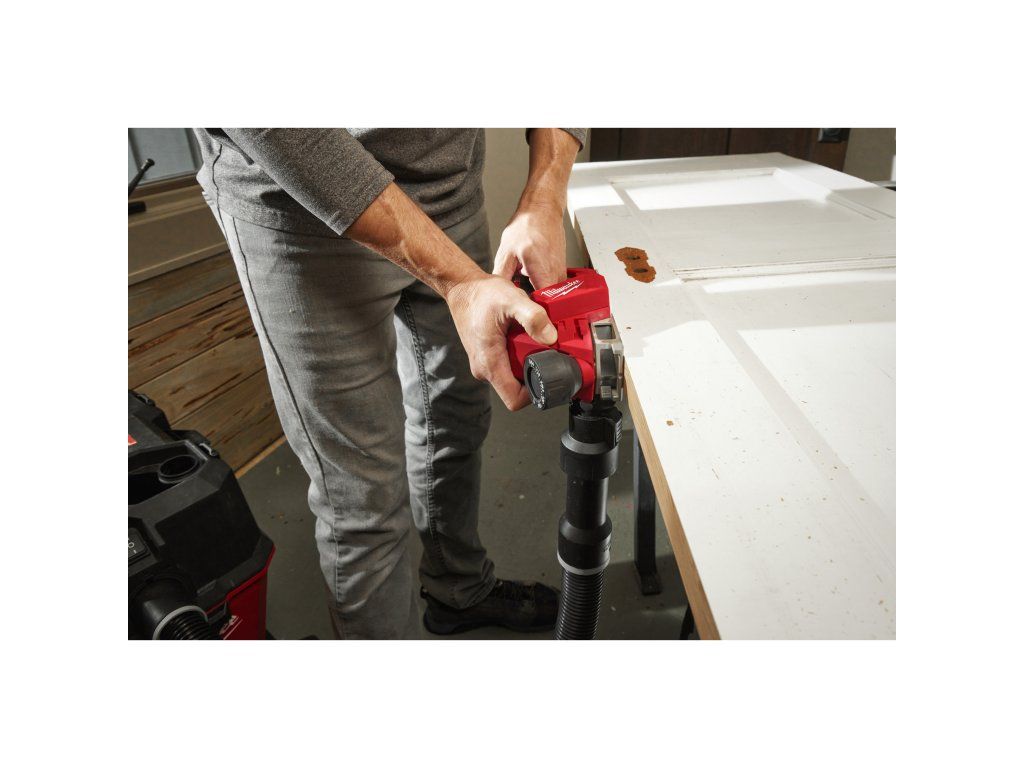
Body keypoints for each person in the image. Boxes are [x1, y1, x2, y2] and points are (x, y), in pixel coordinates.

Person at [192, 128, 586, 639]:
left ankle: (458, 591)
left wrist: (544, 197)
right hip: (302, 211)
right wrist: (461, 282)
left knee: (457, 422)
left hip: (449, 198)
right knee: (362, 500)